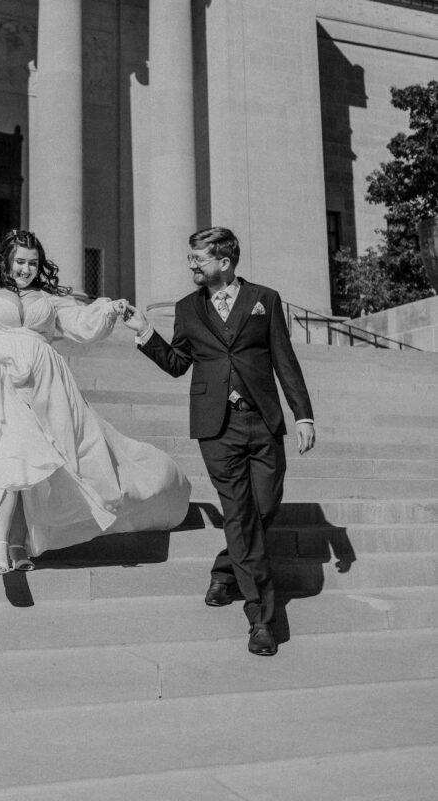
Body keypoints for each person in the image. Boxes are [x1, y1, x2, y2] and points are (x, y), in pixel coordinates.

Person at [0, 229, 191, 575]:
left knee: (31, 460)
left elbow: (81, 324)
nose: (26, 269)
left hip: (47, 387)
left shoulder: (48, 297)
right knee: (13, 453)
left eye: (33, 263)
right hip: (0, 377)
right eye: (20, 261)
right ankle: (0, 543)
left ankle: (19, 544)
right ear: (6, 260)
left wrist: (108, 309)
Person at [122, 226, 315, 656]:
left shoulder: (265, 299)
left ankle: (225, 569)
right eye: (191, 258)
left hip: (263, 421)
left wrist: (302, 414)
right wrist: (144, 331)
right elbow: (176, 364)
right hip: (217, 427)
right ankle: (262, 619)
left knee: (262, 509)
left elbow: (285, 359)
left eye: (199, 259)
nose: (191, 265)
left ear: (224, 262)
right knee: (239, 514)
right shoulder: (187, 309)